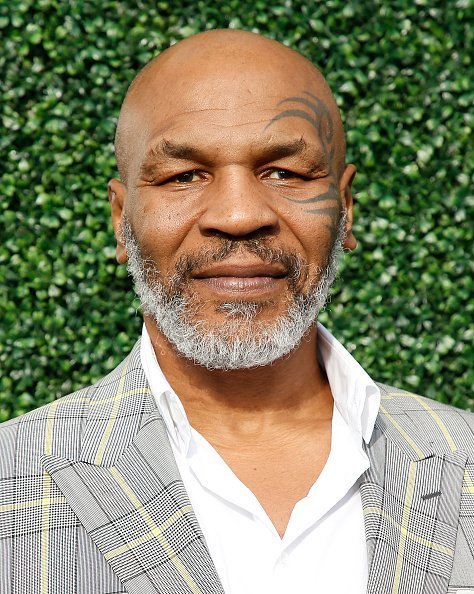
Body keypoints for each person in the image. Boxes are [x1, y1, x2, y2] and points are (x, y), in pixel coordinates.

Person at [0, 29, 473, 594]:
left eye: (285, 172)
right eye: (183, 176)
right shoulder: (11, 479)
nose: (239, 214)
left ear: (344, 209)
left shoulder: (463, 457)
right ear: (121, 221)